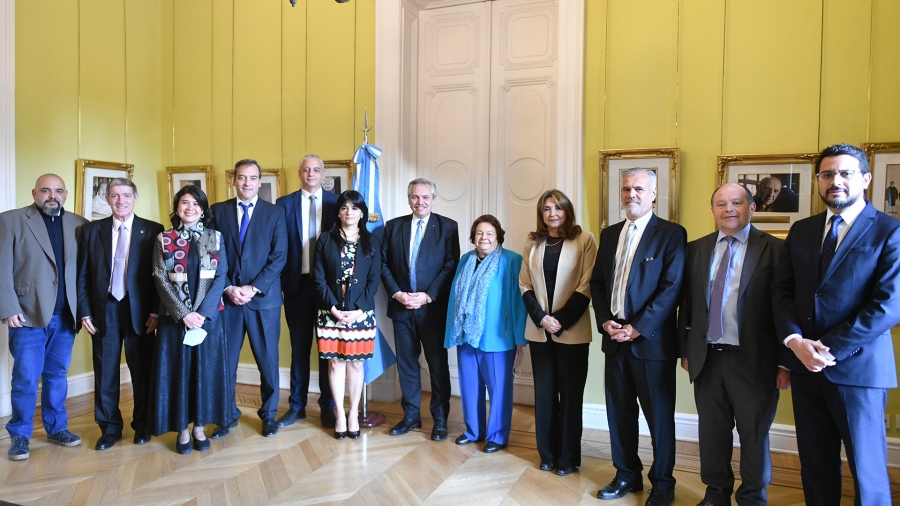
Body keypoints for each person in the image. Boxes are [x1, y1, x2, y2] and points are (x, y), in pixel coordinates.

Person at [772, 143, 900, 505]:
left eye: (845, 173)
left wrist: (828, 350)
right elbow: (782, 292)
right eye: (827, 174)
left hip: (859, 369)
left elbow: (889, 305)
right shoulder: (802, 230)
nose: (835, 181)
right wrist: (795, 341)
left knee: (867, 471)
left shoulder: (889, 231)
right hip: (805, 367)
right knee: (815, 465)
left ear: (866, 179)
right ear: (818, 181)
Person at [678, 183, 789, 506]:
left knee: (754, 434)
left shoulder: (776, 250)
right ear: (713, 210)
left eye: (737, 202)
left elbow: (786, 310)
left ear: (752, 208)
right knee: (712, 433)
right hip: (708, 358)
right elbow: (687, 305)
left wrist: (785, 362)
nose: (729, 209)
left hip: (755, 361)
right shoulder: (696, 249)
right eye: (721, 203)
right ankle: (716, 494)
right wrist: (686, 350)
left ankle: (753, 497)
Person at [590, 168, 686, 506]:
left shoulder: (671, 234)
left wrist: (638, 327)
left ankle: (662, 484)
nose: (631, 194)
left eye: (639, 189)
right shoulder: (609, 234)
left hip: (651, 343)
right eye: (626, 188)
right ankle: (626, 474)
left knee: (659, 418)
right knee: (619, 414)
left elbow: (671, 288)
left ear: (654, 194)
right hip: (614, 340)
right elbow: (598, 284)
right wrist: (605, 321)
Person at [0, 174, 87, 461]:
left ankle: (57, 428)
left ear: (65, 194)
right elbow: (1, 267)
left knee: (57, 375)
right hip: (27, 314)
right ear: (34, 192)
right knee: (26, 378)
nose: (53, 195)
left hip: (66, 316)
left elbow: (84, 272)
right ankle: (20, 435)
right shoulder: (10, 220)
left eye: (58, 191)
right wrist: (8, 307)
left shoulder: (79, 224)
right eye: (46, 190)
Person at [76, 178, 164, 451]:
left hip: (141, 313)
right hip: (104, 311)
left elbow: (160, 277)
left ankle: (143, 426)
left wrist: (156, 310)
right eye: (115, 195)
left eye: (126, 195)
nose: (121, 201)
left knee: (143, 372)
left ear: (135, 198)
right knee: (105, 373)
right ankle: (109, 429)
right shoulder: (91, 231)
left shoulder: (153, 230)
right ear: (107, 199)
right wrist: (84, 311)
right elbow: (83, 275)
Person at [519, 190, 597, 475]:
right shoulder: (533, 242)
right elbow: (524, 284)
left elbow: (587, 284)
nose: (552, 213)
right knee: (545, 395)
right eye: (547, 208)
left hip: (572, 332)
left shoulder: (584, 239)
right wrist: (542, 318)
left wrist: (560, 320)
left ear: (567, 211)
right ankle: (548, 454)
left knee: (571, 397)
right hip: (540, 331)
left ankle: (567, 458)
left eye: (558, 208)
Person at [210, 159, 288, 439]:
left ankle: (268, 416)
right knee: (225, 362)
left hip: (263, 301)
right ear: (234, 180)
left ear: (259, 182)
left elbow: (279, 257)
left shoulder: (275, 213)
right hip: (228, 301)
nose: (247, 183)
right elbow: (211, 255)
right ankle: (226, 416)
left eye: (252, 178)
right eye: (242, 177)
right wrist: (228, 287)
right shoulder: (217, 211)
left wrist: (253, 288)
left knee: (268, 362)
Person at [150, 185, 229, 454]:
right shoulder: (164, 239)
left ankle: (199, 427)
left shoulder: (214, 238)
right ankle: (182, 429)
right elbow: (160, 278)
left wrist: (202, 314)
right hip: (174, 320)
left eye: (196, 204)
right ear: (177, 208)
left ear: (203, 210)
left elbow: (221, 276)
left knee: (204, 373)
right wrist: (183, 314)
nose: (190, 208)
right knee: (178, 374)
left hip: (208, 320)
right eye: (185, 203)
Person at [381, 178, 459, 440]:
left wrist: (428, 296)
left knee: (437, 366)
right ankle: (411, 416)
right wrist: (398, 294)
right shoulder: (394, 227)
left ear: (434, 200)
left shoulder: (448, 227)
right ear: (408, 199)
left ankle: (440, 420)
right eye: (415, 197)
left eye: (425, 197)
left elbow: (450, 265)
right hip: (401, 307)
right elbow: (383, 264)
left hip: (432, 310)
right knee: (407, 366)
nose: (420, 202)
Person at [445, 215, 526, 454]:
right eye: (479, 233)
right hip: (467, 336)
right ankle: (473, 431)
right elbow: (455, 297)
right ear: (473, 237)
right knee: (470, 386)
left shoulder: (511, 260)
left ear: (498, 236)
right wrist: (452, 330)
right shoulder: (465, 260)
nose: (484, 238)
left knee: (499, 390)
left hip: (498, 337)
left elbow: (518, 301)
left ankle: (497, 436)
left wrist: (519, 340)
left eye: (490, 233)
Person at [275, 154, 338, 429]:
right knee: (299, 348)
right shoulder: (283, 204)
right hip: (296, 286)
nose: (311, 174)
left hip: (328, 289)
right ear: (299, 174)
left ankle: (328, 406)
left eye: (316, 170)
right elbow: (278, 246)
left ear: (323, 175)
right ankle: (296, 406)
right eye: (306, 169)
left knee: (327, 349)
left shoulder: (337, 203)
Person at [313, 191, 381, 439]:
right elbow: (318, 278)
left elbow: (374, 280)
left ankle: (353, 414)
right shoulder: (325, 239)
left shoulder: (372, 241)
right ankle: (340, 414)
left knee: (356, 363)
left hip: (361, 314)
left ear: (362, 213)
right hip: (329, 312)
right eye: (344, 208)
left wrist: (359, 309)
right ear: (338, 212)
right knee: (335, 363)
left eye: (354, 208)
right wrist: (333, 308)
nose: (349, 212)